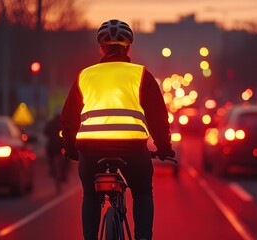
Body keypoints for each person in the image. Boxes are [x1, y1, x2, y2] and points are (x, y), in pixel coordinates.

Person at [60, 19, 175, 240]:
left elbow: (69, 118)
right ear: (128, 47)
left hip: (90, 151)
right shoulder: (142, 75)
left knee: (91, 196)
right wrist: (163, 147)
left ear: (101, 48)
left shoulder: (85, 76)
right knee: (141, 192)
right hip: (132, 149)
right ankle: (143, 237)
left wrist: (70, 147)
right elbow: (158, 117)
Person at [43, 113, 68, 180]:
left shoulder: (51, 123)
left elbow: (45, 132)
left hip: (53, 145)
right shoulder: (62, 123)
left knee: (50, 154)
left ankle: (52, 168)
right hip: (60, 144)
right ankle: (62, 173)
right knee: (67, 155)